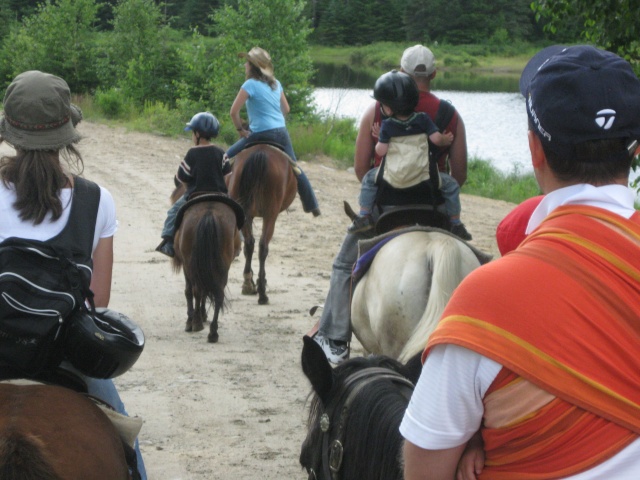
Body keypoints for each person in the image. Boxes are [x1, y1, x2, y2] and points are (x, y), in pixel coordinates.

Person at [401, 45, 640, 479]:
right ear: (635, 150)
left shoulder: (484, 301)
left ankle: (334, 333)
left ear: (535, 150)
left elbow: (424, 471)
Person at [0, 70, 147, 478]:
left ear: (10, 132)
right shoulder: (97, 201)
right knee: (127, 449)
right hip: (60, 358)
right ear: (67, 134)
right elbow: (98, 299)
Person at [314, 44, 470, 364]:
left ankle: (335, 338)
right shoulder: (449, 115)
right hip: (435, 207)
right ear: (434, 74)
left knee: (344, 264)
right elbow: (460, 174)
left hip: (388, 207)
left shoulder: (378, 111)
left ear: (401, 73)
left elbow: (361, 169)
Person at [348, 70, 454, 234]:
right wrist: (445, 140)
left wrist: (380, 139)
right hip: (428, 192)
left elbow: (371, 159)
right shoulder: (426, 118)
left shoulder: (385, 123)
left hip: (390, 194)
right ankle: (456, 223)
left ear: (388, 109)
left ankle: (364, 217)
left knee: (369, 180)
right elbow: (458, 171)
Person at [227, 46, 320, 217]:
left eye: (247, 63)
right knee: (295, 167)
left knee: (224, 159)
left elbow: (234, 112)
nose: (245, 66)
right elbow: (286, 109)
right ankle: (312, 204)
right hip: (280, 132)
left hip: (258, 133)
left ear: (253, 66)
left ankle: (225, 202)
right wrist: (274, 119)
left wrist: (240, 129)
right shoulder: (276, 84)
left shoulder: (249, 84)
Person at [156, 111, 229, 257]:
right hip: (219, 194)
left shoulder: (192, 153)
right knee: (236, 212)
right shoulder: (222, 152)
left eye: (192, 132)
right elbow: (228, 176)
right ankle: (238, 239)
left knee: (173, 212)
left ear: (197, 134)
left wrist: (189, 187)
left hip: (195, 194)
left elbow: (181, 177)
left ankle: (168, 242)